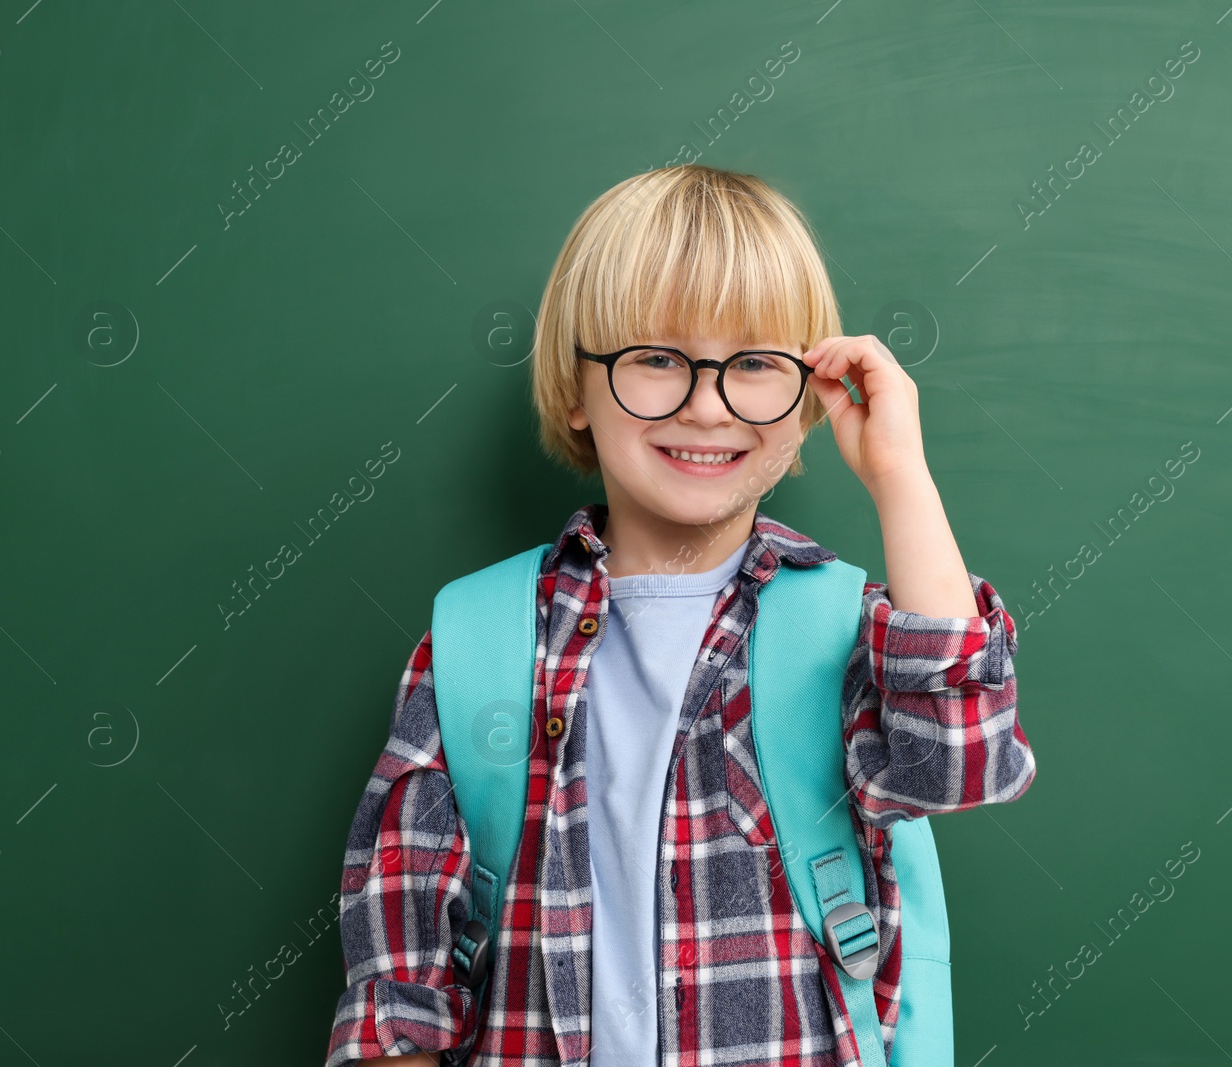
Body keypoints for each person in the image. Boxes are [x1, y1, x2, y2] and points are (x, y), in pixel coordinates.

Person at [324, 163, 1037, 1067]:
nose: (706, 404)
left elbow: (960, 763)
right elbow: (402, 976)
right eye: (657, 359)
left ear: (807, 394)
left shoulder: (840, 627)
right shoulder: (476, 639)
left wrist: (900, 472)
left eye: (753, 364)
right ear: (578, 389)